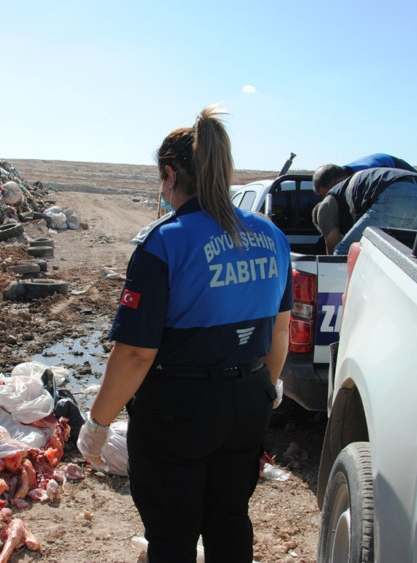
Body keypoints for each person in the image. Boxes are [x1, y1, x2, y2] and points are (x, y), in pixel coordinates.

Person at [76, 105, 293, 563]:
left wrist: (97, 424)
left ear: (170, 174)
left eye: (162, 180)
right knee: (230, 520)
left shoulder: (164, 241)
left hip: (179, 411)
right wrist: (268, 385)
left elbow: (135, 352)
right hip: (247, 403)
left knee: (173, 533)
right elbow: (279, 325)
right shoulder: (271, 236)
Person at [312, 166, 417, 255]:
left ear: (339, 181)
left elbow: (332, 245)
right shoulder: (364, 182)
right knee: (411, 257)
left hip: (400, 195)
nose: (326, 198)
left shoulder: (328, 202)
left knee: (345, 252)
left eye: (325, 194)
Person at [312, 153, 417, 194]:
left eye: (330, 194)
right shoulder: (343, 174)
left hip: (406, 177)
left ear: (339, 182)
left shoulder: (367, 177)